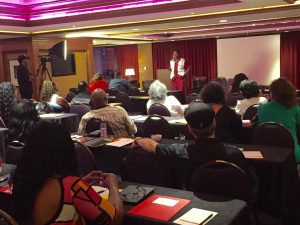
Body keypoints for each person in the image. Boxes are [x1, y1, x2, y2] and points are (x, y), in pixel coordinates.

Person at [12, 121, 124, 225]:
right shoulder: (73, 186)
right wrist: (113, 184)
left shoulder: (24, 183)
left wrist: (82, 182)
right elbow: (114, 218)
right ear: (66, 151)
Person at [134, 101, 257, 194]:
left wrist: (140, 140)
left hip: (195, 203)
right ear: (214, 123)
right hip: (234, 206)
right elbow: (250, 183)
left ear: (189, 128)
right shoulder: (234, 154)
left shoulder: (179, 151)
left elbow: (152, 146)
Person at [258, 78, 300, 163]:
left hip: (266, 152)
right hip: (291, 153)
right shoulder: (294, 108)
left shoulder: (261, 108)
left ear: (272, 93)